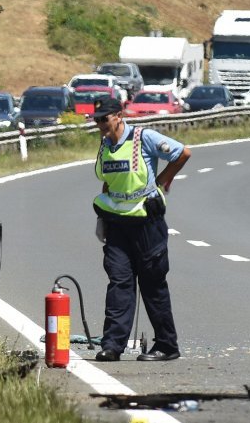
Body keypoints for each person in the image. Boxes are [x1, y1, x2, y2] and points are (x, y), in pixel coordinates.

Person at [90, 97, 191, 362]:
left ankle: (167, 346)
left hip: (147, 223)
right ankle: (112, 345)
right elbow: (108, 182)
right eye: (97, 119)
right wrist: (103, 217)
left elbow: (182, 153)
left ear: (119, 115)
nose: (100, 123)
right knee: (119, 283)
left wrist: (162, 181)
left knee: (152, 284)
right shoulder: (105, 145)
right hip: (117, 225)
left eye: (105, 118)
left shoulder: (142, 138)